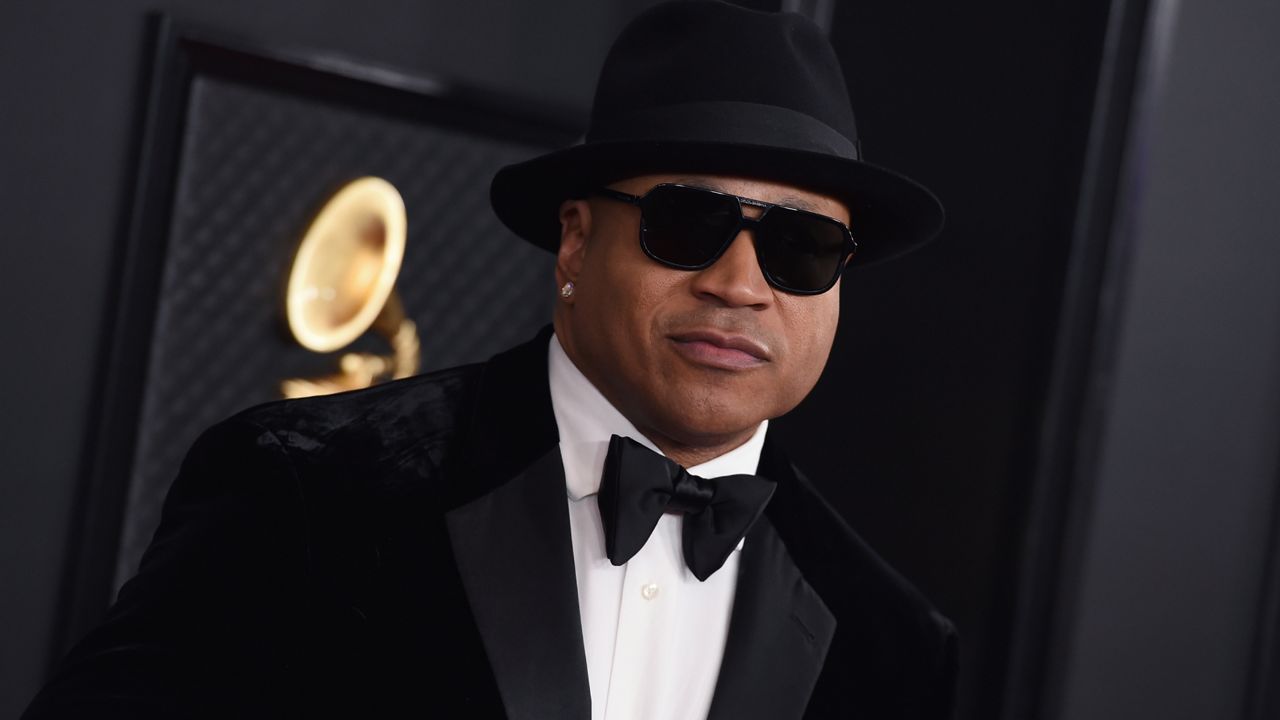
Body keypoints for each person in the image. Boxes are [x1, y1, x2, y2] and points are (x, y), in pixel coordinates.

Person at [25, 1, 957, 718]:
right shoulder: (304, 492)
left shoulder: (893, 641)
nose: (740, 284)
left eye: (801, 248)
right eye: (688, 222)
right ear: (576, 241)